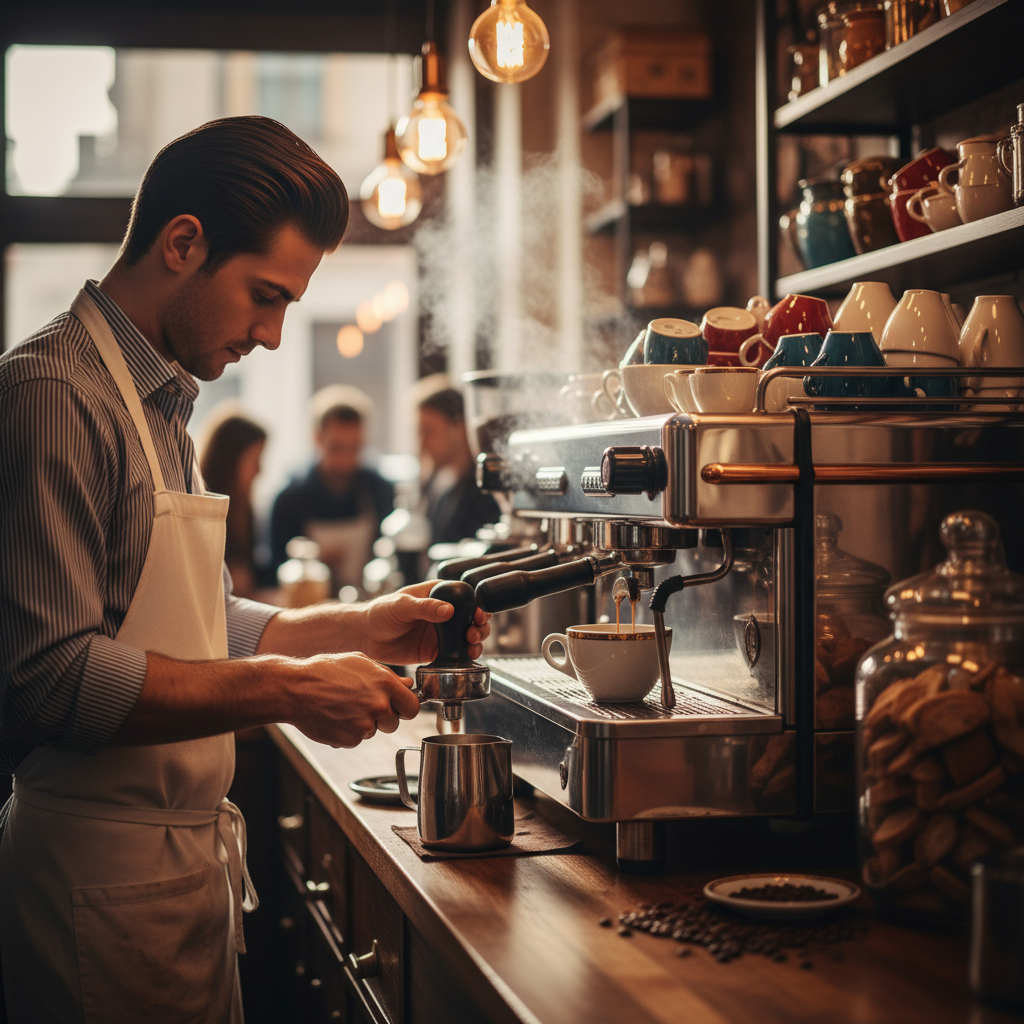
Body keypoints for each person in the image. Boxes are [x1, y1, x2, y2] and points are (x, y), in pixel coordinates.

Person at [0, 115, 488, 1024]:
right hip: (92, 883)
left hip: (173, 875)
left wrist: (363, 627)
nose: (269, 334)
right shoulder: (56, 393)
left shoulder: (161, 398)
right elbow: (46, 679)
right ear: (183, 242)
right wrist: (288, 689)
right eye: (264, 295)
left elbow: (193, 623)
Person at [270, 385, 393, 591]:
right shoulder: (290, 499)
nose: (345, 460)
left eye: (354, 448)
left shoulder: (379, 489)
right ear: (317, 438)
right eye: (336, 448)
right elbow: (274, 573)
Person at [416, 377, 502, 545]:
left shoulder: (485, 492)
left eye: (429, 431)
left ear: (460, 428)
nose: (422, 444)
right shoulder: (435, 483)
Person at [197, 402, 268, 598]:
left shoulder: (244, 507)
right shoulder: (203, 511)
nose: (260, 470)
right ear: (228, 461)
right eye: (254, 460)